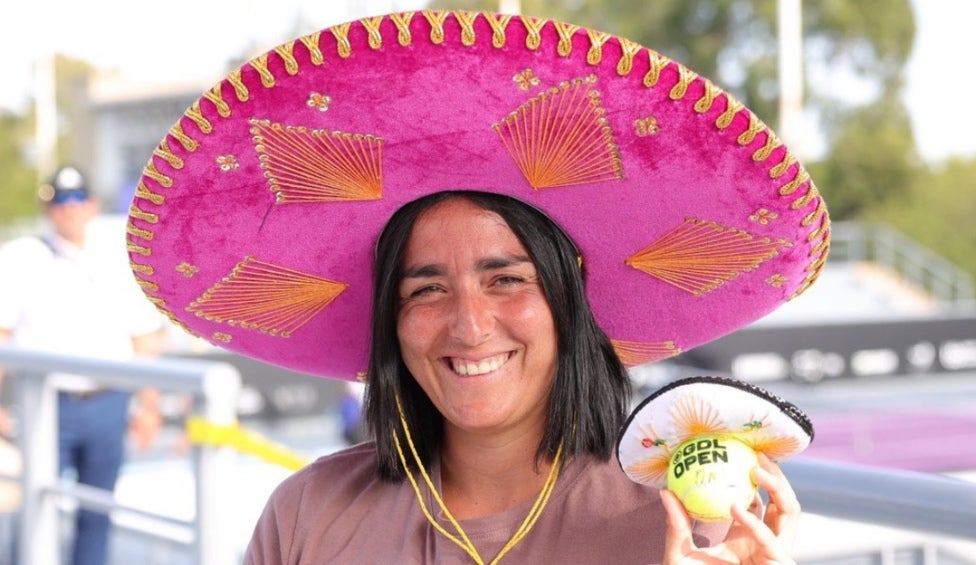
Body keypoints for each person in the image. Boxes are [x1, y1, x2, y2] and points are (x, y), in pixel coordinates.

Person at [121, 10, 830, 564]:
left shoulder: (679, 521)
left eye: (506, 278)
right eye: (425, 289)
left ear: (568, 293)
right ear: (391, 317)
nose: (468, 323)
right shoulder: (306, 514)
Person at [0, 165, 166, 565]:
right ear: (49, 210)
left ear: (91, 205)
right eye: (59, 201)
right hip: (47, 405)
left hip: (107, 402)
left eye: (76, 200)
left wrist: (150, 406)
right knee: (34, 513)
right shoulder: (23, 258)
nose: (68, 209)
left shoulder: (117, 260)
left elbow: (142, 339)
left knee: (98, 512)